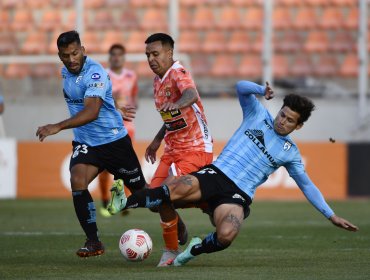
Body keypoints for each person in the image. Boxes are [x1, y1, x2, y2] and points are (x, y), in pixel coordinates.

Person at [107, 80, 359, 266]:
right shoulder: (257, 114)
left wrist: (330, 215)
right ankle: (124, 202)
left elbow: (307, 185)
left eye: (290, 120)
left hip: (238, 195)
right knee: (175, 189)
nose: (282, 121)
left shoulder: (290, 152)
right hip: (216, 174)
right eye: (282, 114)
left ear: (299, 125)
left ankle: (193, 250)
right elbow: (240, 87)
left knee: (227, 235)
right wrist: (262, 90)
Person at [36, 31, 147, 258]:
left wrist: (58, 126)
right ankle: (94, 241)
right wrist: (114, 104)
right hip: (86, 142)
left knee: (146, 196)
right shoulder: (65, 72)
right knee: (77, 180)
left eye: (75, 53)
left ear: (83, 50)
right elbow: (96, 96)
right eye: (66, 55)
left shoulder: (95, 71)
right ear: (60, 56)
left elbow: (92, 111)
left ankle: (177, 224)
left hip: (113, 141)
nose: (71, 59)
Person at [109, 33, 214, 267]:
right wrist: (157, 140)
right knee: (155, 201)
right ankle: (199, 208)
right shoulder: (158, 80)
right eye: (148, 55)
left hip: (194, 147)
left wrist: (176, 104)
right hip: (172, 147)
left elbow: (191, 94)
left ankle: (171, 251)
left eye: (155, 54)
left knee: (164, 195)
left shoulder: (178, 72)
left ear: (169, 53)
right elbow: (171, 117)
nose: (151, 59)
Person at [98, 43, 139, 217]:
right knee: (105, 167)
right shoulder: (103, 75)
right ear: (110, 57)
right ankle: (105, 200)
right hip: (107, 126)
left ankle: (126, 201)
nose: (116, 58)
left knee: (127, 165)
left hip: (127, 127)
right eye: (113, 55)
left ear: (124, 57)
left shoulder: (132, 75)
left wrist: (131, 105)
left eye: (119, 55)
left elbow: (135, 98)